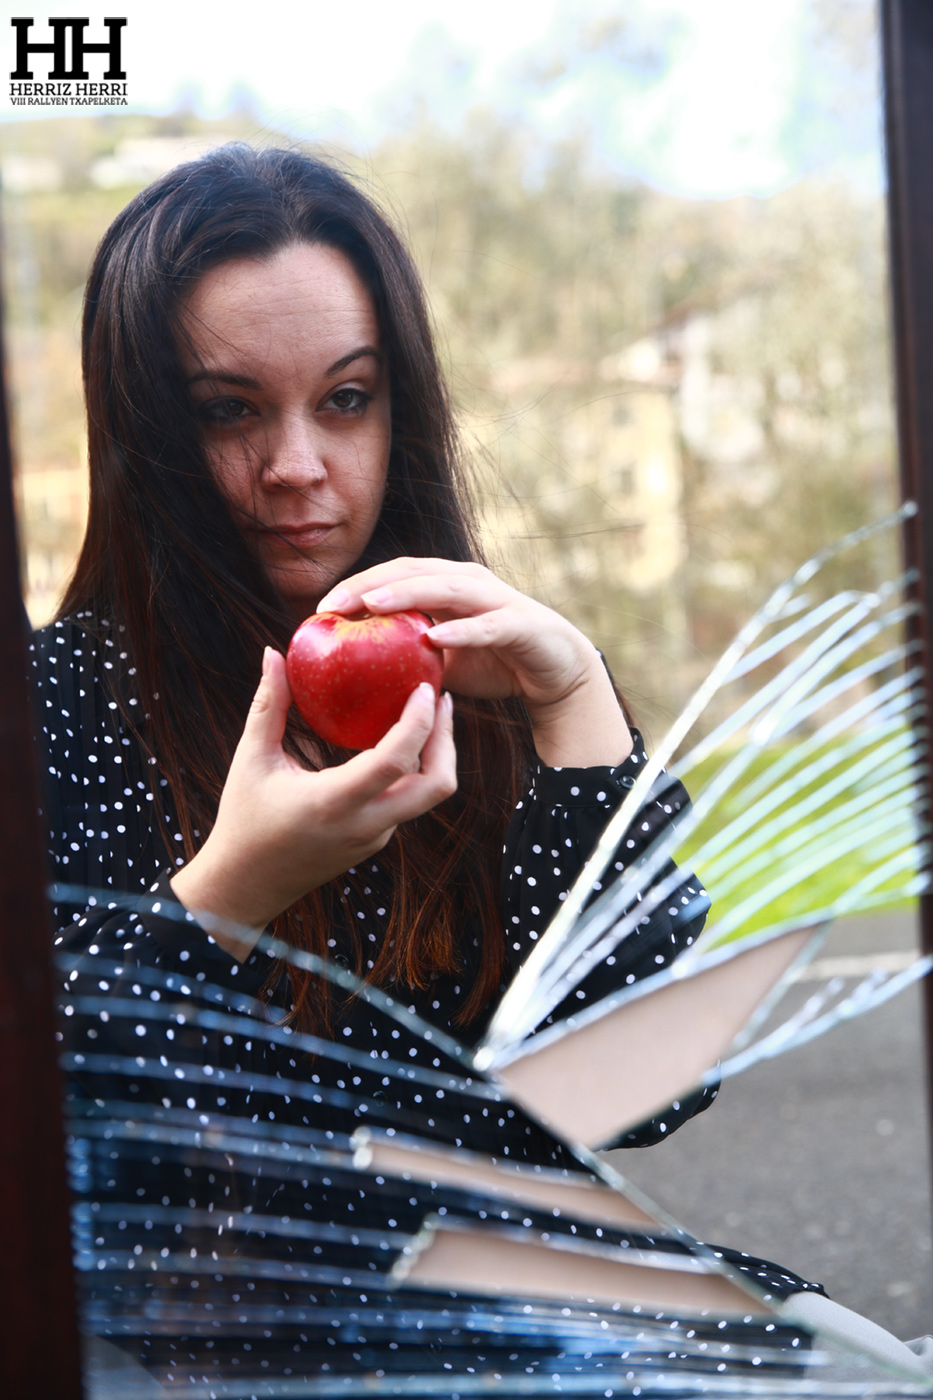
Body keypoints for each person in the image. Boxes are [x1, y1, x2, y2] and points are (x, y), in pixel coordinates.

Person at [29, 144, 929, 1387]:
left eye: (346, 397)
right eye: (228, 409)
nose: (299, 465)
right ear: (146, 428)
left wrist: (579, 710)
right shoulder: (59, 705)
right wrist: (230, 894)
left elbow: (641, 1092)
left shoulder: (486, 672)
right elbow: (68, 1160)